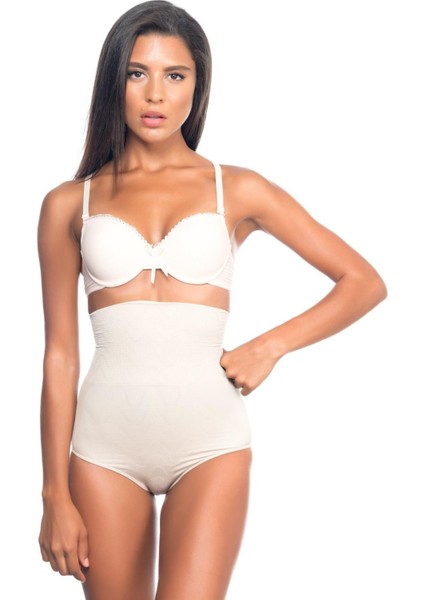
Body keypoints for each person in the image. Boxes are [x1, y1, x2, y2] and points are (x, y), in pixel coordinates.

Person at [37, 1, 387, 598]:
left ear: (197, 86)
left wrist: (270, 347)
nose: (155, 93)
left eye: (175, 75)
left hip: (210, 444)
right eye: (137, 72)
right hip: (102, 450)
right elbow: (59, 356)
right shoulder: (69, 204)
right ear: (113, 80)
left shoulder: (238, 188)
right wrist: (54, 494)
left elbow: (362, 281)